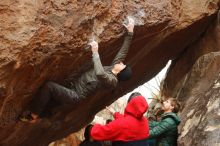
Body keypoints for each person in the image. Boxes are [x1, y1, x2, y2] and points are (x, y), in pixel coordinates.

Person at [19, 17, 135, 123]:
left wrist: (95, 52)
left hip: (75, 95)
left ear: (121, 72)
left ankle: (33, 116)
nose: (121, 62)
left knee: (49, 87)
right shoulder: (113, 67)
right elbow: (123, 52)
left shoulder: (112, 81)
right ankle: (45, 114)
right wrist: (130, 32)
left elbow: (100, 73)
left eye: (123, 65)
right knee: (52, 101)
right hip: (72, 84)